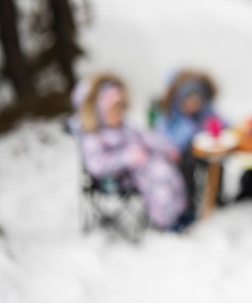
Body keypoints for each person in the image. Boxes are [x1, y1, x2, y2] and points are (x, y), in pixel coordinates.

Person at [72, 73, 187, 231]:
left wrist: (165, 149)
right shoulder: (94, 136)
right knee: (159, 181)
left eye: (122, 107)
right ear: (97, 110)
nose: (120, 112)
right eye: (114, 108)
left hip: (142, 166)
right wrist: (126, 157)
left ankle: (179, 212)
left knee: (169, 173)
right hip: (118, 178)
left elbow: (147, 138)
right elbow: (96, 165)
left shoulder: (124, 127)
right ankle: (167, 220)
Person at [153, 69, 225, 214]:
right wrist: (189, 129)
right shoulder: (169, 117)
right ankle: (188, 204)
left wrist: (216, 128)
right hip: (180, 159)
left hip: (202, 154)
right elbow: (163, 140)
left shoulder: (204, 113)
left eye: (197, 100)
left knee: (217, 161)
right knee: (188, 168)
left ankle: (215, 197)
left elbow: (222, 122)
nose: (194, 104)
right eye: (189, 100)